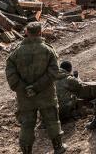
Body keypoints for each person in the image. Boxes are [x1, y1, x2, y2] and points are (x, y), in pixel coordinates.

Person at [5, 22, 66, 154]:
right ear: (40, 32)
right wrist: (37, 87)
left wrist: (25, 88)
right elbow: (54, 72)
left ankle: (27, 152)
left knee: (26, 125)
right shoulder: (48, 50)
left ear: (26, 32)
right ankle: (58, 148)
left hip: (25, 97)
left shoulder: (15, 54)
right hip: (46, 94)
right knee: (52, 121)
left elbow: (11, 77)